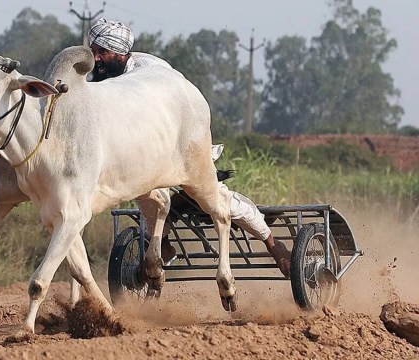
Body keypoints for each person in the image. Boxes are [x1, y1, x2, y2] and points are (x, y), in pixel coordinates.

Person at [87, 18, 291, 277]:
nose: (96, 58)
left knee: (216, 197)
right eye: (93, 51)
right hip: (149, 150)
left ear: (119, 53)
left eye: (101, 52)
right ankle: (164, 246)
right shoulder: (105, 78)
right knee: (143, 190)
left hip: (183, 141)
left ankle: (274, 244)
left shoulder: (142, 74)